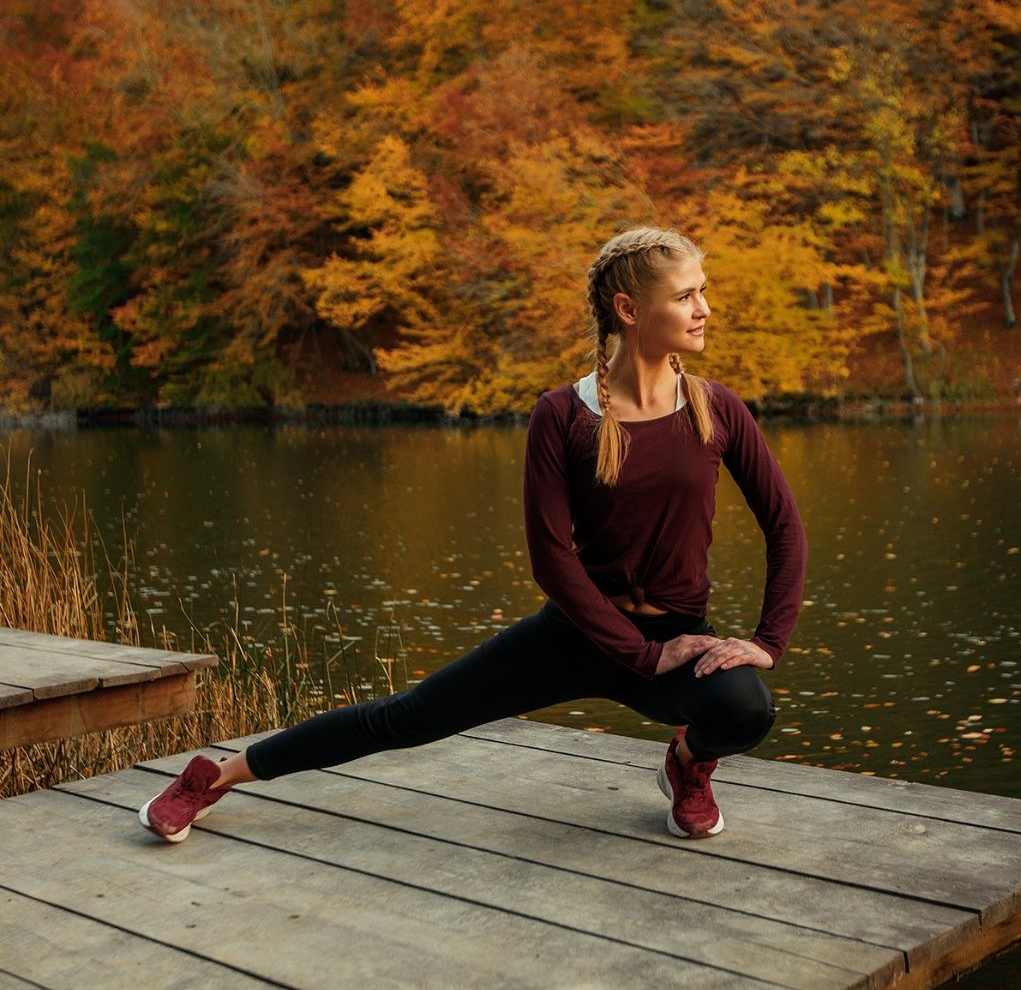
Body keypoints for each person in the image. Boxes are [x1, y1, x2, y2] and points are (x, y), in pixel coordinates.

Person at [139, 225, 808, 843]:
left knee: (746, 704)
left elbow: (784, 525)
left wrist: (766, 641)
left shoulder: (715, 408)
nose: (704, 309)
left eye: (703, 293)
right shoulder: (562, 416)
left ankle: (688, 766)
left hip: (677, 639)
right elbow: (551, 558)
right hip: (572, 637)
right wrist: (636, 655)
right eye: (687, 295)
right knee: (404, 717)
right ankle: (214, 776)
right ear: (631, 310)